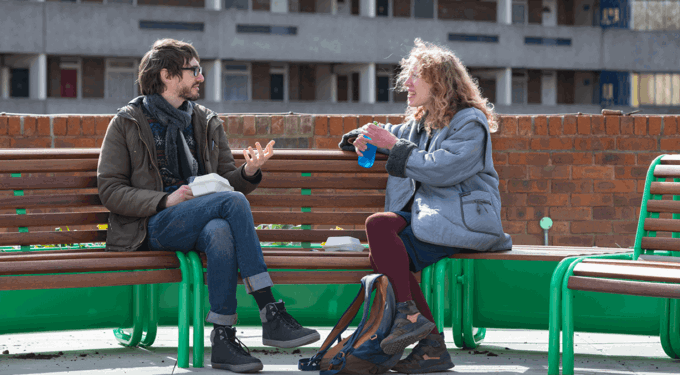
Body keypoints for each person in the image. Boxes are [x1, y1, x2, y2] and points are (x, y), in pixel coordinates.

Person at [97, 39, 319, 373]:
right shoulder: (128, 122)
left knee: (219, 231)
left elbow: (228, 179)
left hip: (202, 218)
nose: (201, 78)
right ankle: (269, 309)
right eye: (194, 70)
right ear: (168, 75)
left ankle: (224, 339)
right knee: (231, 203)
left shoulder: (205, 120)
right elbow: (110, 189)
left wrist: (249, 171)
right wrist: (164, 199)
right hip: (154, 223)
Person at [339, 38, 513, 373]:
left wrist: (394, 146)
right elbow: (386, 132)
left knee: (383, 250)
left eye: (415, 75)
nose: (406, 82)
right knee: (381, 231)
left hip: (463, 220)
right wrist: (358, 136)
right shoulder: (421, 121)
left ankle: (424, 334)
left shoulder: (469, 121)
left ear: (438, 82)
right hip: (433, 217)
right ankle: (425, 336)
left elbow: (443, 168)